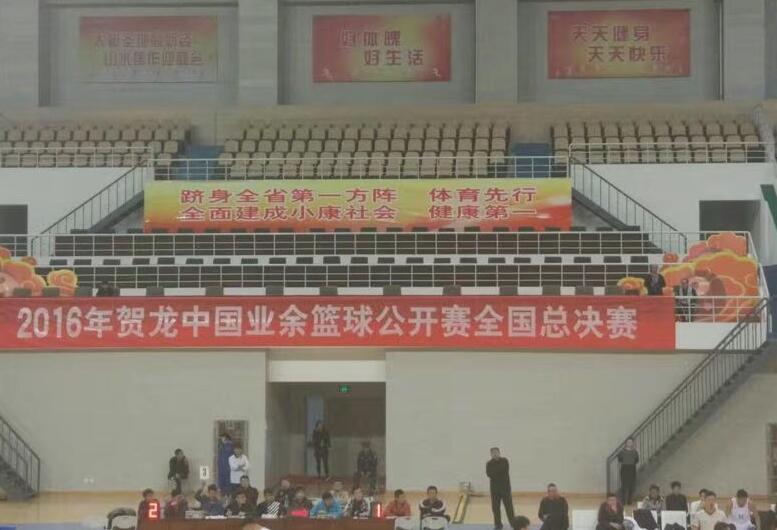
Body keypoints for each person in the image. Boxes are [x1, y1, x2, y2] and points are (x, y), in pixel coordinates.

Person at [487, 447, 515, 530]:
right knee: (495, 508)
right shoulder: (489, 463)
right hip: (494, 490)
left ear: (499, 453)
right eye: (493, 453)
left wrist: (495, 472)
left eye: (496, 452)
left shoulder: (505, 461)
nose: (495, 454)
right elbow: (489, 474)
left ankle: (513, 523)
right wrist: (497, 472)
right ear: (491, 454)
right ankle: (498, 524)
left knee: (509, 507)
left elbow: (504, 470)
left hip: (505, 489)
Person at [617, 437, 639, 505]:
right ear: (626, 443)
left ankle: (630, 502)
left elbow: (636, 460)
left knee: (631, 486)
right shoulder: (622, 452)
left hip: (632, 469)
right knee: (624, 486)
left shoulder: (635, 452)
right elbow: (620, 460)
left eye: (631, 442)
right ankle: (623, 502)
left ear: (633, 443)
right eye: (628, 442)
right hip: (624, 469)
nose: (629, 443)